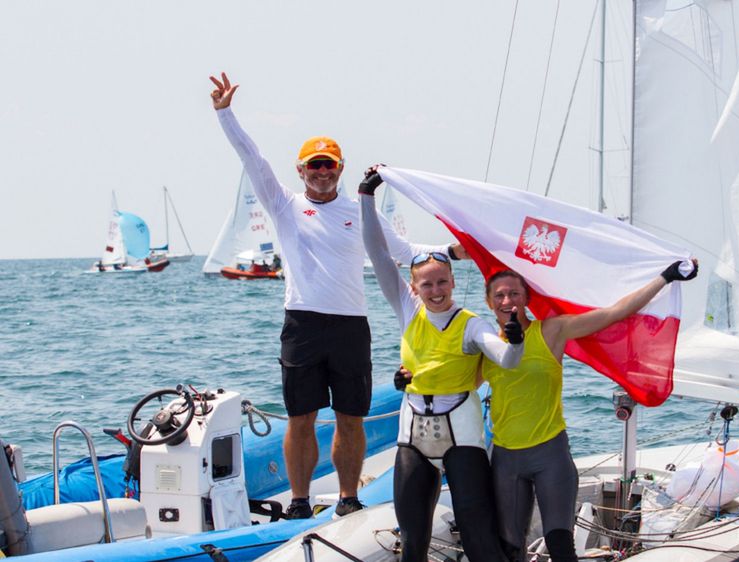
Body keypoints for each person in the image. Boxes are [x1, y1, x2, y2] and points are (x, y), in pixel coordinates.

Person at [209, 73, 462, 520]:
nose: (322, 172)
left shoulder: (358, 212)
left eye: (329, 165)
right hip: (303, 323)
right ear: (301, 171)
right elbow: (252, 157)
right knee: (301, 418)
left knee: (350, 417)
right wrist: (225, 113)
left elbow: (408, 254)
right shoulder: (285, 204)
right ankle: (301, 503)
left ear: (341, 169)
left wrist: (461, 250)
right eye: (314, 165)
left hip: (350, 326)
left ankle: (348, 498)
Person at [482, 263, 697, 562]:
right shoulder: (485, 345)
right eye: (500, 295)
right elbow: (452, 380)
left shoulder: (552, 330)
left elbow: (614, 313)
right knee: (509, 547)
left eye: (515, 293)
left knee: (560, 544)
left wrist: (665, 278)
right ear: (489, 302)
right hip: (506, 459)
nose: (508, 301)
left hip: (550, 455)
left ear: (526, 298)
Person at [359, 167, 521, 562]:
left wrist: (513, 340)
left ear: (452, 281)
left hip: (460, 433)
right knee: (413, 537)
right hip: (412, 432)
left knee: (478, 532)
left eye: (442, 283)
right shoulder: (406, 309)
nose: (435, 292)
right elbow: (378, 253)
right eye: (427, 285)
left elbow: (506, 360)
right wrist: (366, 196)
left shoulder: (471, 324)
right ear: (413, 287)